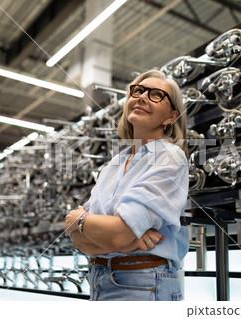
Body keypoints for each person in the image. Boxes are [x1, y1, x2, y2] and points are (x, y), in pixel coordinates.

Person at [65, 70, 189, 301]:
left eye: (156, 95)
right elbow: (79, 241)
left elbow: (117, 235)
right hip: (98, 280)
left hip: (142, 281)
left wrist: (78, 220)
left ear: (171, 117)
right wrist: (120, 241)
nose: (142, 97)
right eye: (138, 91)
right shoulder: (114, 164)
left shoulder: (169, 157)